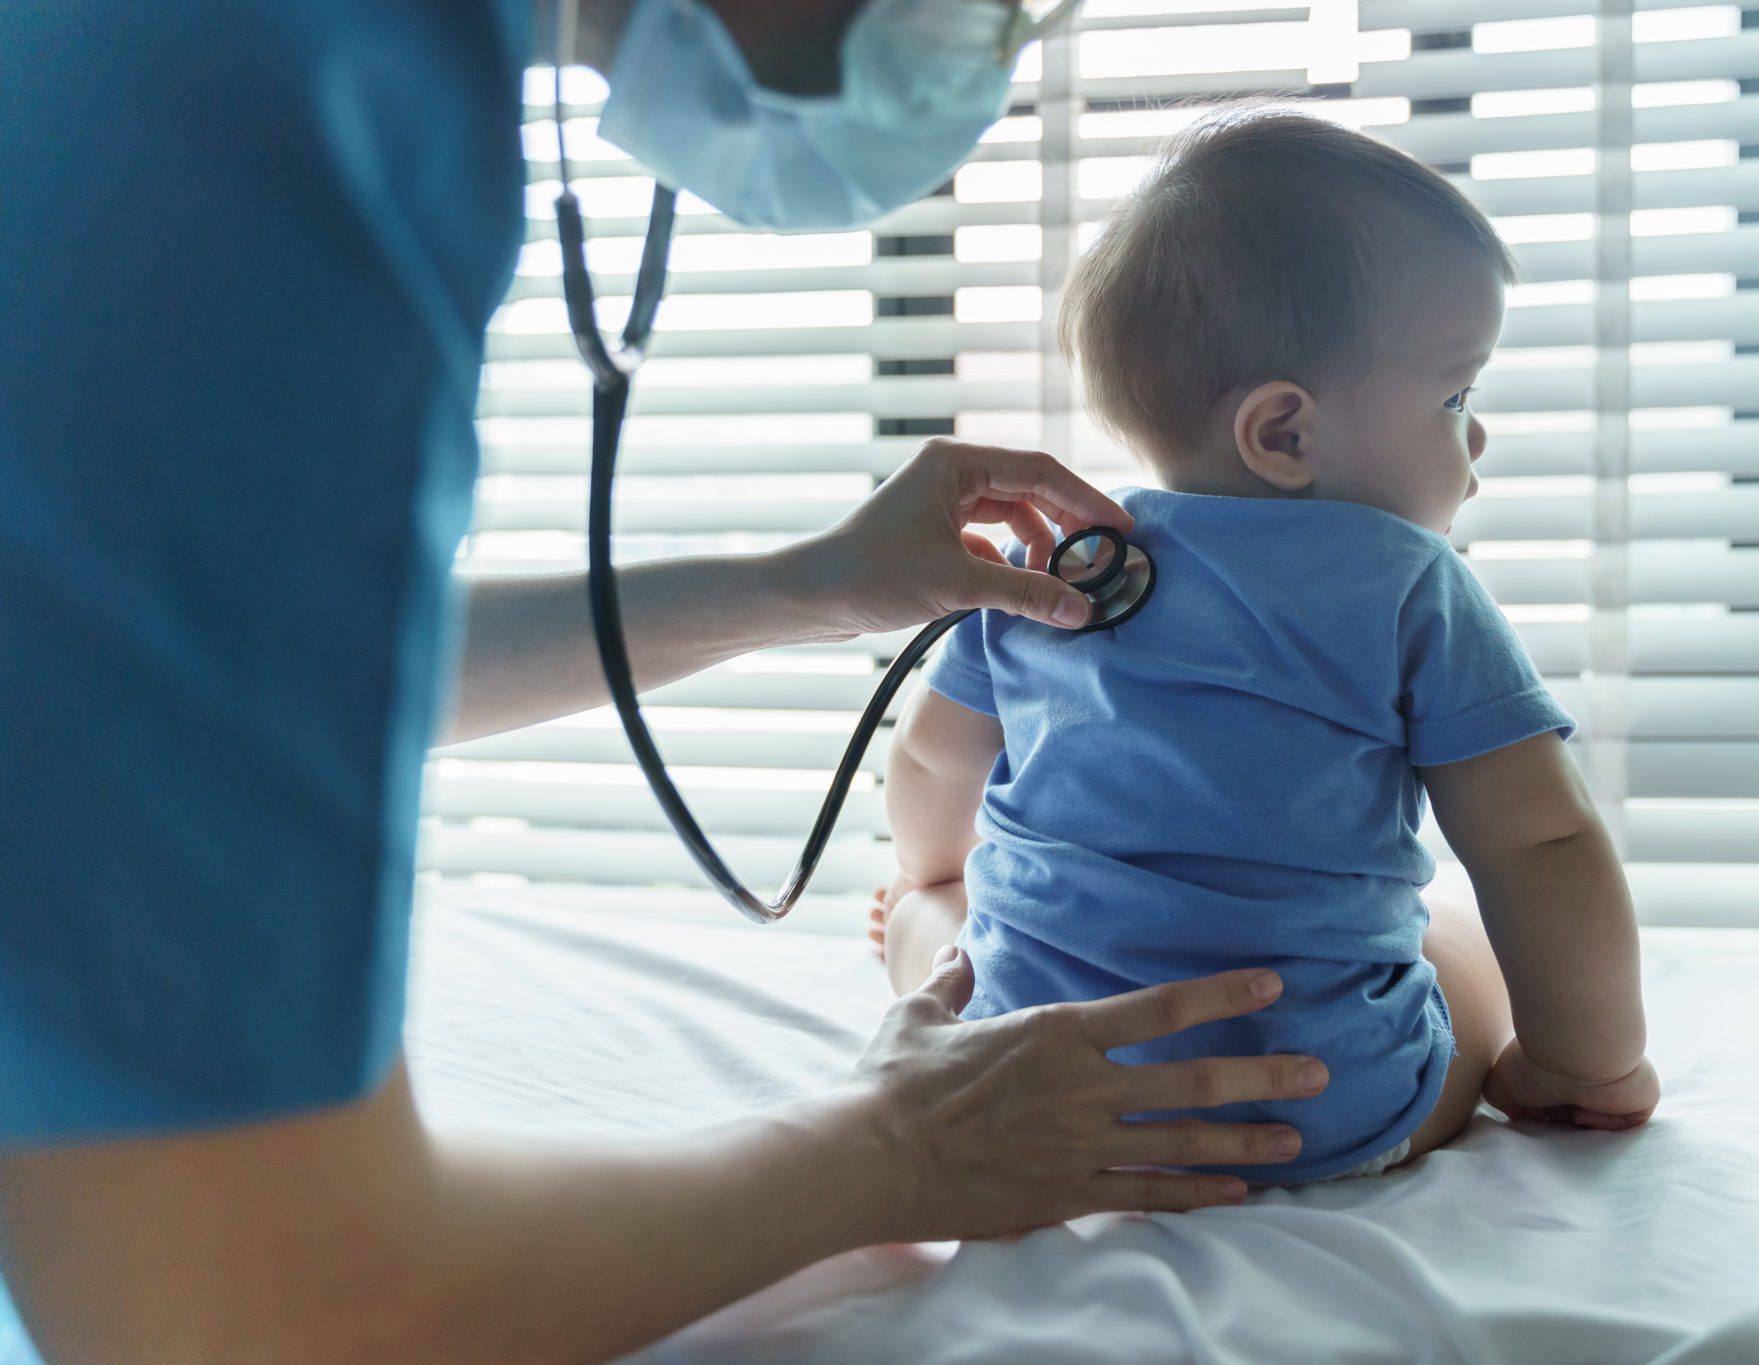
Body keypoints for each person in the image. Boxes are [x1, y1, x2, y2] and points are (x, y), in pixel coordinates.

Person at [0, 4, 1331, 1362]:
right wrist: (899, 1146)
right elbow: (259, 1309)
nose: (991, 41)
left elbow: (208, 656)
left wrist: (801, 584)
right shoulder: (271, 80)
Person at [872, 109, 1663, 1183]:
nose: (1474, 438)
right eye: (1454, 395)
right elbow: (1541, 845)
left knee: (942, 926)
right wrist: (1587, 1063)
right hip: (1311, 1109)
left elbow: (928, 760)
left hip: (1035, 1093)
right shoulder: (1408, 587)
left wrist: (930, 875)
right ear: (1283, 433)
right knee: (1453, 942)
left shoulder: (1052, 564)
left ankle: (913, 928)